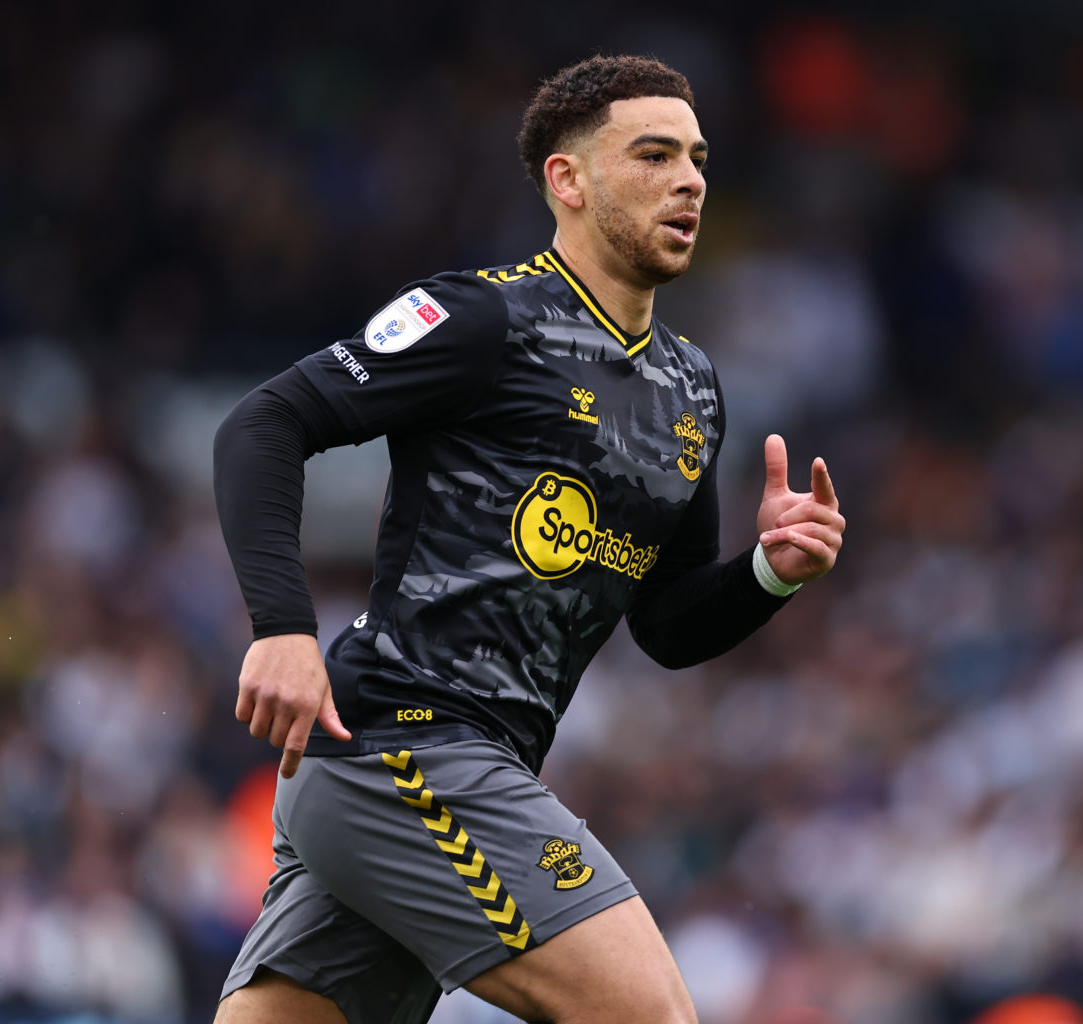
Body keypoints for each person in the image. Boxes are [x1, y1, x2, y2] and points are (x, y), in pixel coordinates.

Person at [211, 55, 845, 1024]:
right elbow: (263, 423)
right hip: (407, 749)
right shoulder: (484, 318)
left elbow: (669, 626)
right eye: (655, 154)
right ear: (569, 180)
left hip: (424, 781)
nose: (690, 181)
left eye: (700, 160)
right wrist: (283, 626)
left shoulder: (692, 390)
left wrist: (769, 572)